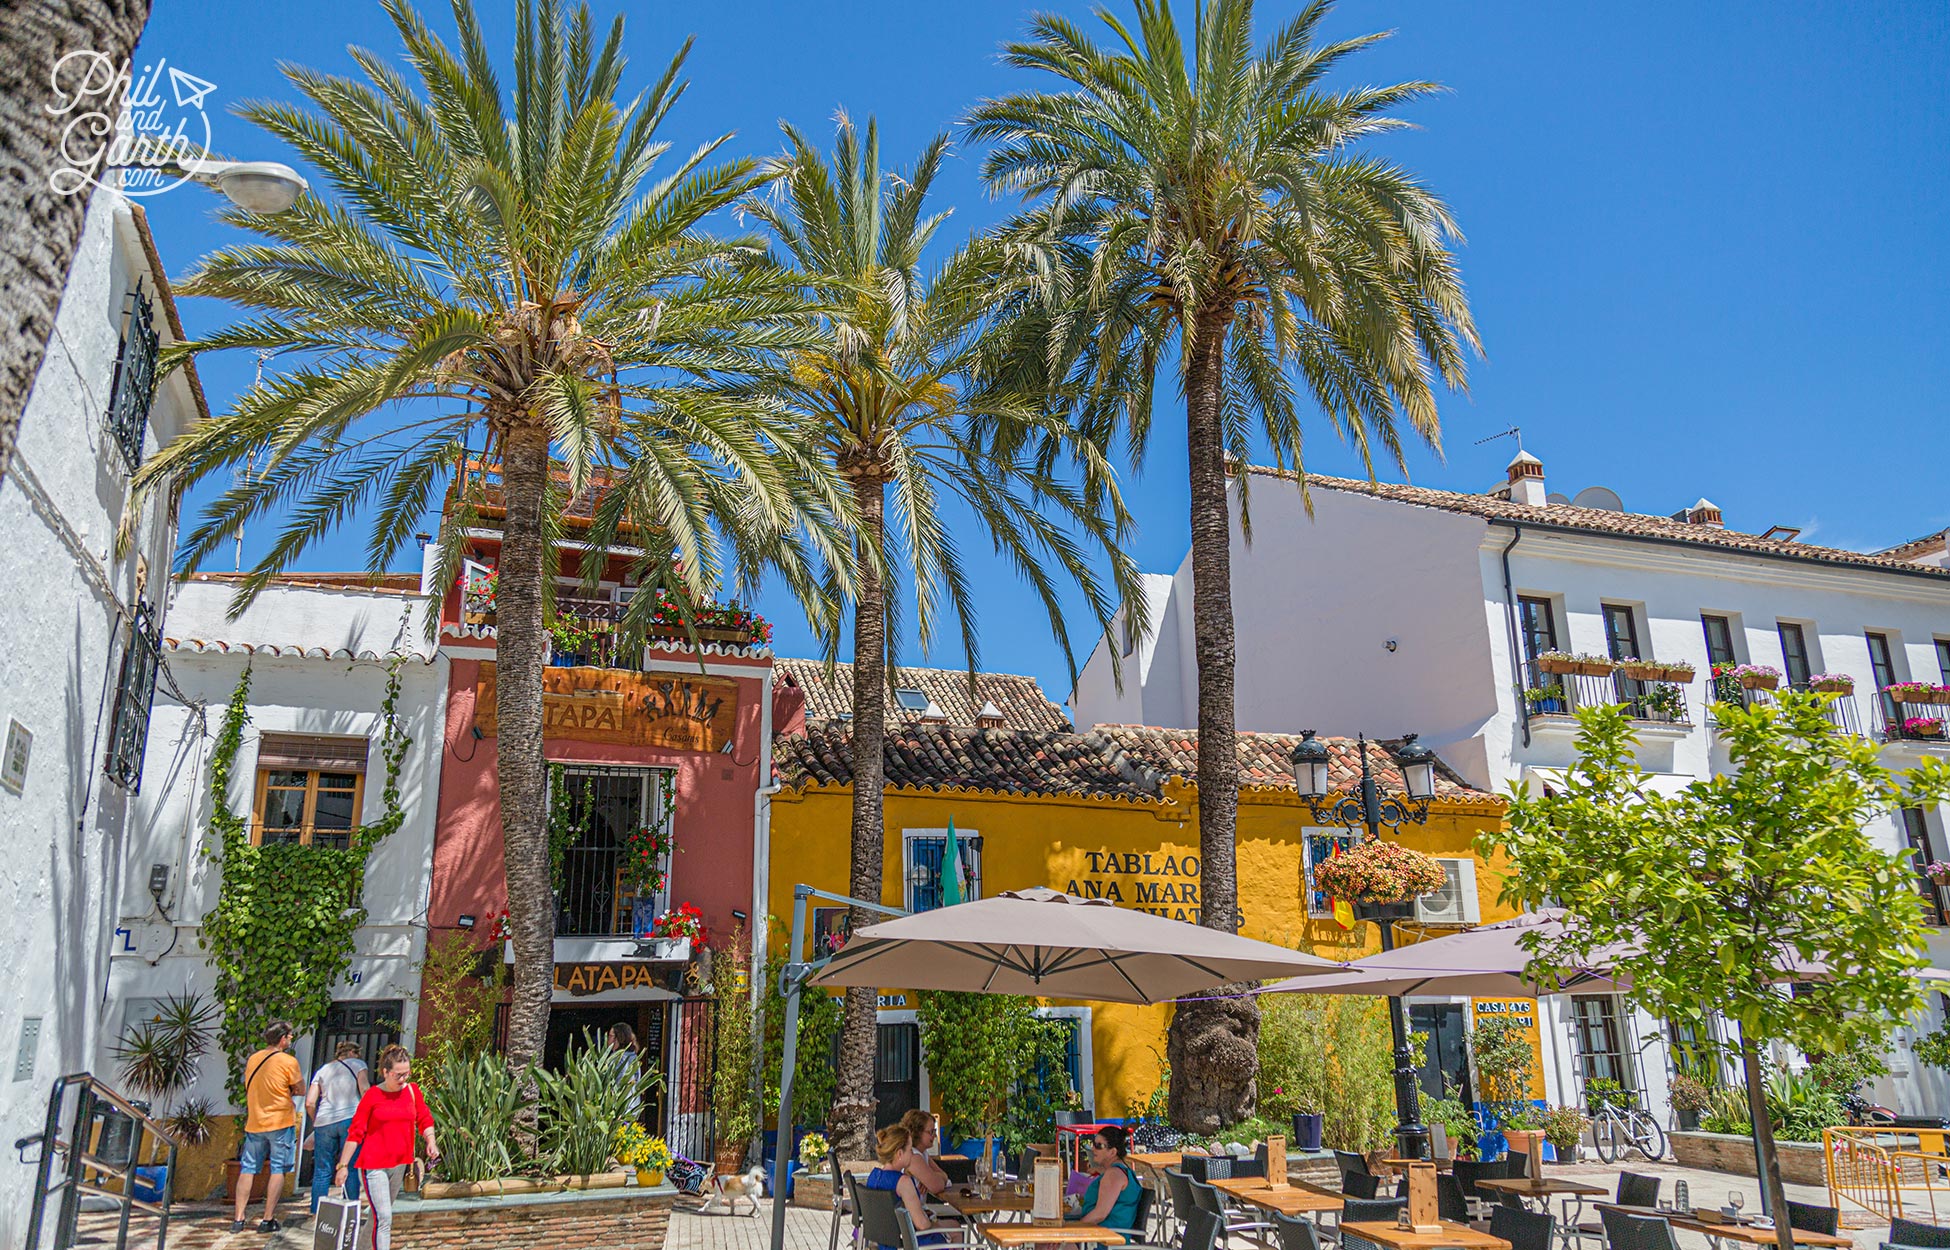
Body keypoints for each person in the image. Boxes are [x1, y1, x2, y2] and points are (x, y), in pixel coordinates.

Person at [336, 1044, 440, 1250]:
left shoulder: (412, 1091)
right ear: (385, 1072)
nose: (403, 1080)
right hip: (374, 1165)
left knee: (377, 1218)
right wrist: (343, 1166)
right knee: (384, 1218)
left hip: (399, 1164)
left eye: (406, 1074)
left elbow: (424, 1119)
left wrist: (431, 1141)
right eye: (398, 1075)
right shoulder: (373, 1096)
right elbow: (356, 1132)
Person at [233, 1020, 306, 1235]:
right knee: (278, 1169)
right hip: (280, 1121)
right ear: (282, 1039)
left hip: (255, 1121)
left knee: (247, 1168)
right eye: (290, 1036)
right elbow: (300, 1088)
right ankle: (267, 1219)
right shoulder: (288, 1061)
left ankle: (238, 1219)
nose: (291, 1040)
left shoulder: (253, 1059)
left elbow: (249, 1085)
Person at [305, 1041, 370, 1217]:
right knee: (349, 1166)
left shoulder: (323, 1070)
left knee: (322, 1169)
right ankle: (351, 1210)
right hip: (350, 1119)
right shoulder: (358, 1065)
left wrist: (316, 1120)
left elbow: (310, 1102)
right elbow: (365, 1089)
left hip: (324, 1122)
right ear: (352, 1053)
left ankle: (317, 1212)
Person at [863, 1124, 951, 1250]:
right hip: (912, 1243)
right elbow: (922, 1225)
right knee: (955, 1231)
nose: (912, 1154)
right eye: (910, 1150)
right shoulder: (903, 1182)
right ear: (899, 1153)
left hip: (887, 1244)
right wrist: (933, 1222)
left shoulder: (874, 1176)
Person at [1068, 1126, 1142, 1242]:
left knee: (1045, 1244)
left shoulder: (1114, 1175)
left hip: (1104, 1239)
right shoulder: (1119, 1171)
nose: (1093, 1149)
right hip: (1098, 1234)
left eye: (1099, 1146)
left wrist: (1070, 1232)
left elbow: (1100, 1214)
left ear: (1113, 1152)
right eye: (1094, 1144)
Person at [898, 1108, 950, 1198]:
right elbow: (937, 1186)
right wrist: (934, 1179)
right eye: (931, 1132)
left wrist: (931, 1179)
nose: (935, 1135)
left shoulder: (923, 1153)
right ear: (917, 1132)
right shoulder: (913, 1157)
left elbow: (946, 1178)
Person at [609, 1022, 643, 1117]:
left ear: (618, 1038)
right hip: (633, 1106)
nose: (608, 1039)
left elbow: (618, 1082)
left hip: (620, 1110)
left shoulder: (617, 1058)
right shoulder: (633, 1056)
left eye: (610, 1036)